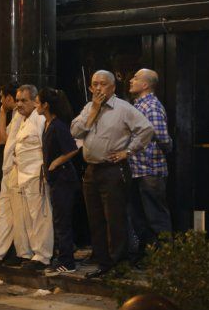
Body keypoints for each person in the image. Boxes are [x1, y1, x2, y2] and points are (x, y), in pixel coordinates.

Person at [71, 70, 154, 278]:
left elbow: (146, 129)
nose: (98, 88)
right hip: (91, 170)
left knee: (114, 218)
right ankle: (103, 261)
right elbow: (74, 131)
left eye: (103, 84)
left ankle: (119, 263)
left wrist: (128, 151)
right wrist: (93, 112)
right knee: (95, 218)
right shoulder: (89, 108)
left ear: (112, 87)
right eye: (94, 84)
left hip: (113, 170)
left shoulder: (123, 108)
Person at [0, 84, 53, 271]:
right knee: (24, 218)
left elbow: (46, 146)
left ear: (34, 101)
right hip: (19, 173)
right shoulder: (20, 118)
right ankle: (24, 254)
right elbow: (4, 140)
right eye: (19, 100)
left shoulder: (39, 119)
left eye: (24, 101)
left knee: (39, 217)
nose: (19, 104)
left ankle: (42, 256)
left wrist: (45, 172)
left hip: (35, 174)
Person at [127, 69, 173, 255]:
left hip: (150, 169)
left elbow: (162, 136)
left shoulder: (151, 106)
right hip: (139, 169)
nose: (131, 80)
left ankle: (163, 257)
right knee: (141, 216)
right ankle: (149, 255)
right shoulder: (139, 105)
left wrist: (168, 147)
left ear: (145, 84)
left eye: (136, 78)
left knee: (155, 217)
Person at [36, 87, 80, 275]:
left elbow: (73, 149)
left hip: (64, 179)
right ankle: (62, 256)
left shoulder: (58, 125)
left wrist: (55, 163)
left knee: (62, 221)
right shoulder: (48, 124)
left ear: (46, 105)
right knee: (58, 220)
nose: (36, 105)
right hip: (55, 179)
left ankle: (67, 262)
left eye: (38, 102)